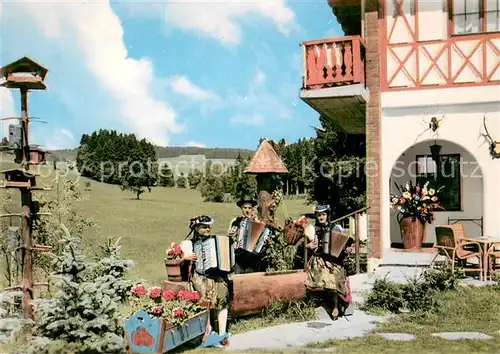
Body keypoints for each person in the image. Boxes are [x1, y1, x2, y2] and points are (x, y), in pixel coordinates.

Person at [182, 215, 231, 347]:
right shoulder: (189, 243)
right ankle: (207, 333)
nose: (208, 229)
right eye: (204, 227)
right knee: (204, 298)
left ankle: (222, 332)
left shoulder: (213, 240)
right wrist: (186, 256)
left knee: (222, 297)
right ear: (196, 228)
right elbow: (180, 257)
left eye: (208, 226)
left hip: (215, 275)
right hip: (199, 275)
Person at [304, 204, 354, 320]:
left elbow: (344, 244)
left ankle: (336, 306)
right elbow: (305, 245)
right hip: (318, 259)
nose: (321, 217)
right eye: (319, 215)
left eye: (323, 214)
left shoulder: (335, 228)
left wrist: (347, 249)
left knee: (335, 276)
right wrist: (308, 246)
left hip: (334, 260)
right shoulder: (313, 229)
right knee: (324, 275)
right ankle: (323, 303)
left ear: (327, 215)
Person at [227, 196, 266, 273]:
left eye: (249, 208)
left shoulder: (257, 221)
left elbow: (262, 236)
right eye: (245, 208)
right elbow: (229, 235)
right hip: (239, 256)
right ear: (241, 208)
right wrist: (231, 234)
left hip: (252, 257)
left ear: (252, 209)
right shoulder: (235, 221)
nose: (247, 210)